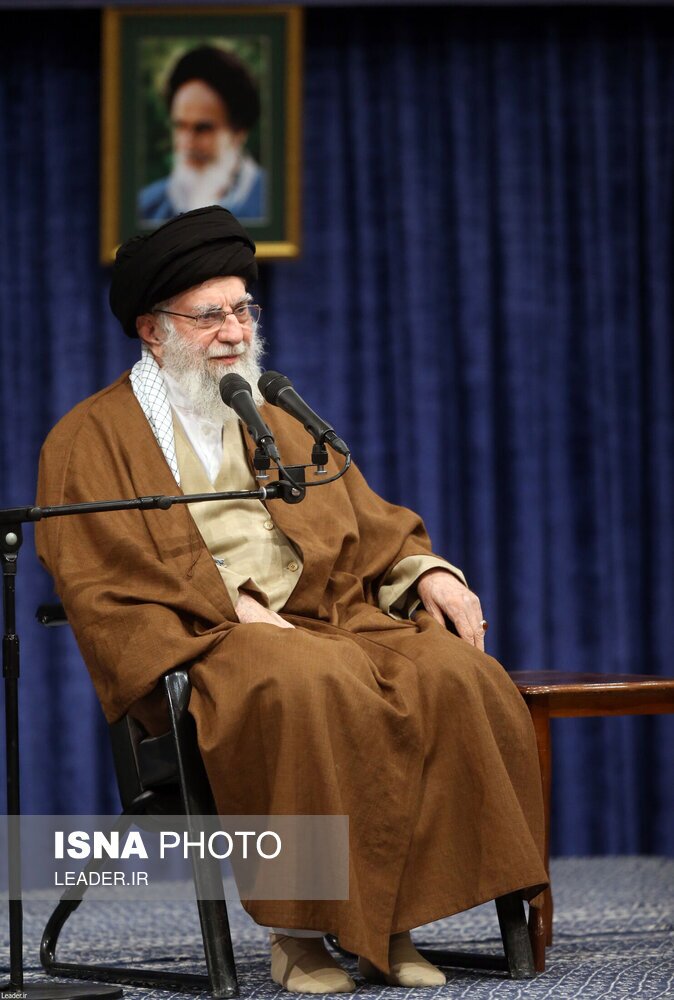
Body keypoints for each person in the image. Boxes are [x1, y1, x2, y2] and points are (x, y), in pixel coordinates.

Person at [36, 206, 547, 995]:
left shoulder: (275, 415)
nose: (235, 331)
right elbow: (100, 575)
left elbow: (374, 527)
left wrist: (430, 574)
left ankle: (391, 926)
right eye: (210, 316)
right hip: (209, 644)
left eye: (243, 310)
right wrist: (231, 607)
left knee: (457, 674)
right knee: (307, 680)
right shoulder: (92, 437)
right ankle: (300, 937)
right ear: (152, 329)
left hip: (332, 621)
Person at [138, 46, 266, 223]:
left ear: (239, 132)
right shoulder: (146, 207)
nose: (187, 142)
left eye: (203, 129)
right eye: (180, 126)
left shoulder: (271, 203)